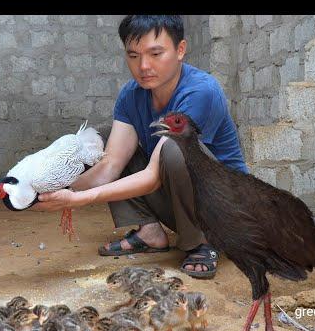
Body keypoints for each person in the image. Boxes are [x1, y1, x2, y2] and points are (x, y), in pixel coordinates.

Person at [36, 15, 248, 279]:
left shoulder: (201, 92)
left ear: (180, 50)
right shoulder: (131, 95)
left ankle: (203, 243)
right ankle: (149, 231)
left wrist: (77, 200)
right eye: (133, 56)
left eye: (156, 53)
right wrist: (49, 190)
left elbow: (152, 175)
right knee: (104, 138)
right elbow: (110, 165)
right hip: (182, 204)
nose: (144, 66)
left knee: (173, 148)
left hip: (225, 213)